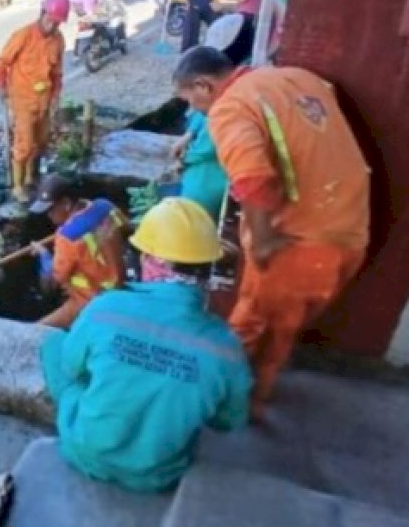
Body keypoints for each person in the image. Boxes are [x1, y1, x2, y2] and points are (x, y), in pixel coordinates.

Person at [173, 47, 370, 418]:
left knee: (251, 330)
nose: (194, 110)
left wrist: (262, 240)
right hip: (350, 229)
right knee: (281, 329)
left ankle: (220, 407)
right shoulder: (294, 77)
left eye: (189, 99)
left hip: (299, 242)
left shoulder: (229, 108)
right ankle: (252, 404)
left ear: (203, 85)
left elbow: (252, 180)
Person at [40, 198, 251, 491]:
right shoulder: (226, 348)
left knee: (53, 344)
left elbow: (71, 369)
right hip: (157, 476)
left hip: (83, 451)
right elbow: (226, 421)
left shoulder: (105, 308)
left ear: (155, 262)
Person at [170, 14, 255, 221]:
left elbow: (211, 142)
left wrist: (186, 159)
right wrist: (189, 134)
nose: (191, 107)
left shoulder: (229, 106)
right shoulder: (229, 80)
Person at [29, 174, 130, 329]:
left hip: (92, 299)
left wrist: (44, 255)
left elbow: (52, 282)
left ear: (66, 203)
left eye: (51, 209)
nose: (48, 215)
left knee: (35, 330)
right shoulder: (105, 206)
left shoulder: (67, 236)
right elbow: (128, 230)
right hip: (121, 284)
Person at [0, 0, 68, 202]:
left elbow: (57, 73)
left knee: (41, 141)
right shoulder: (23, 35)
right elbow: (2, 63)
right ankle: (17, 187)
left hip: (43, 100)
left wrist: (55, 97)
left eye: (57, 23)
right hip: (23, 99)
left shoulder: (58, 41)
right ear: (43, 12)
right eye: (50, 20)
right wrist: (2, 87)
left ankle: (29, 178)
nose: (52, 26)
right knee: (24, 144)